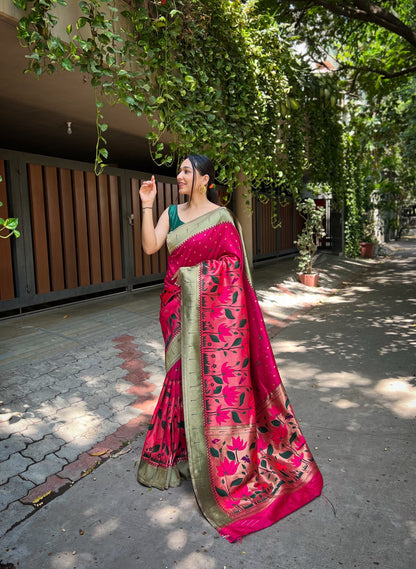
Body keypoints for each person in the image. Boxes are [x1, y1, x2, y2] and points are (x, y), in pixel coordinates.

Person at [137, 154, 323, 542]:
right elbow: (152, 247)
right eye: (180, 171)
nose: (180, 176)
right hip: (175, 305)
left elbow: (233, 268)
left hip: (210, 314)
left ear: (204, 179)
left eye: (187, 171)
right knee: (178, 376)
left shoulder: (222, 219)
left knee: (205, 380)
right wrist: (147, 203)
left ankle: (207, 459)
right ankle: (180, 456)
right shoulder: (170, 213)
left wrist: (197, 278)